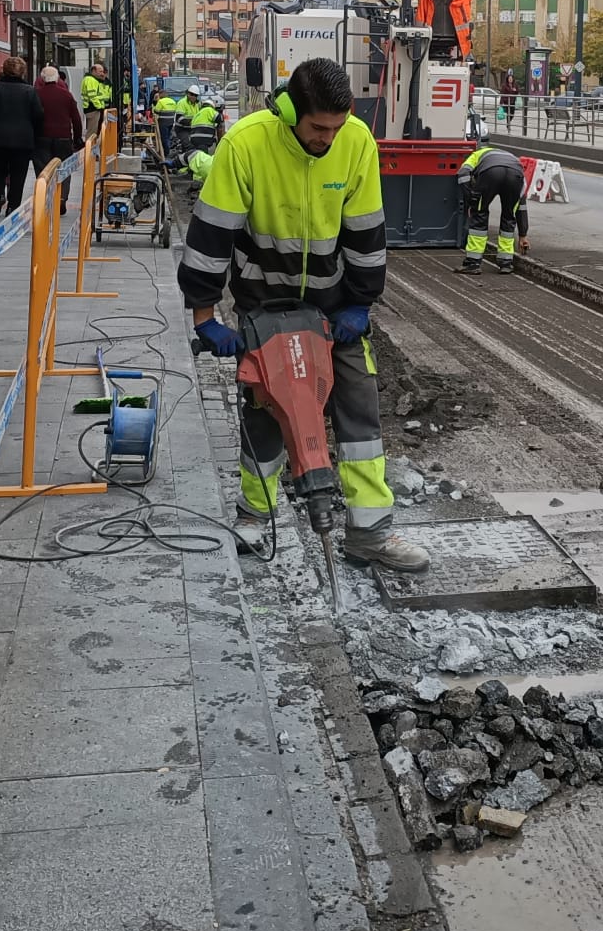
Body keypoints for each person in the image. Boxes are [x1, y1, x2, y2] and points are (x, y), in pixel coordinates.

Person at [180, 57, 428, 573]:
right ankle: (255, 515)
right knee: (268, 410)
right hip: (262, 300)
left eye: (337, 127)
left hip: (333, 306)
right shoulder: (246, 144)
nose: (328, 139)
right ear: (290, 110)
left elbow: (366, 232)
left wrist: (361, 303)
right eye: (319, 128)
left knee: (359, 410)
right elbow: (212, 234)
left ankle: (370, 533)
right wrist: (206, 314)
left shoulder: (356, 141)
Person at [0, 56, 43, 214]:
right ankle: (12, 205)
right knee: (18, 173)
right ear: (22, 72)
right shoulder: (30, 91)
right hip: (22, 141)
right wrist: (34, 135)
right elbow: (38, 115)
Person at [458, 144, 527, 275]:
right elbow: (521, 206)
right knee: (509, 215)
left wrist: (471, 197)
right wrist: (523, 235)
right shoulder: (514, 160)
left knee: (479, 214)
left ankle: (473, 263)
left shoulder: (477, 155)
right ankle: (506, 263)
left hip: (490, 173)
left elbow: (462, 173)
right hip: (515, 176)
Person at [35, 65, 85, 214]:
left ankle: (44, 198)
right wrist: (77, 138)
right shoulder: (66, 95)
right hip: (63, 138)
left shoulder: (36, 94)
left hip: (41, 137)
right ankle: (62, 198)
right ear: (57, 79)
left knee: (43, 169)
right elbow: (76, 119)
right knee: (64, 168)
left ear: (42, 79)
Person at [81, 63, 113, 134]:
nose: (102, 73)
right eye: (100, 71)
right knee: (92, 132)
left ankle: (92, 144)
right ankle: (90, 145)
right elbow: (92, 96)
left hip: (94, 108)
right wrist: (99, 106)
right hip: (93, 108)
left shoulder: (93, 80)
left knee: (95, 131)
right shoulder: (90, 80)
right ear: (94, 71)